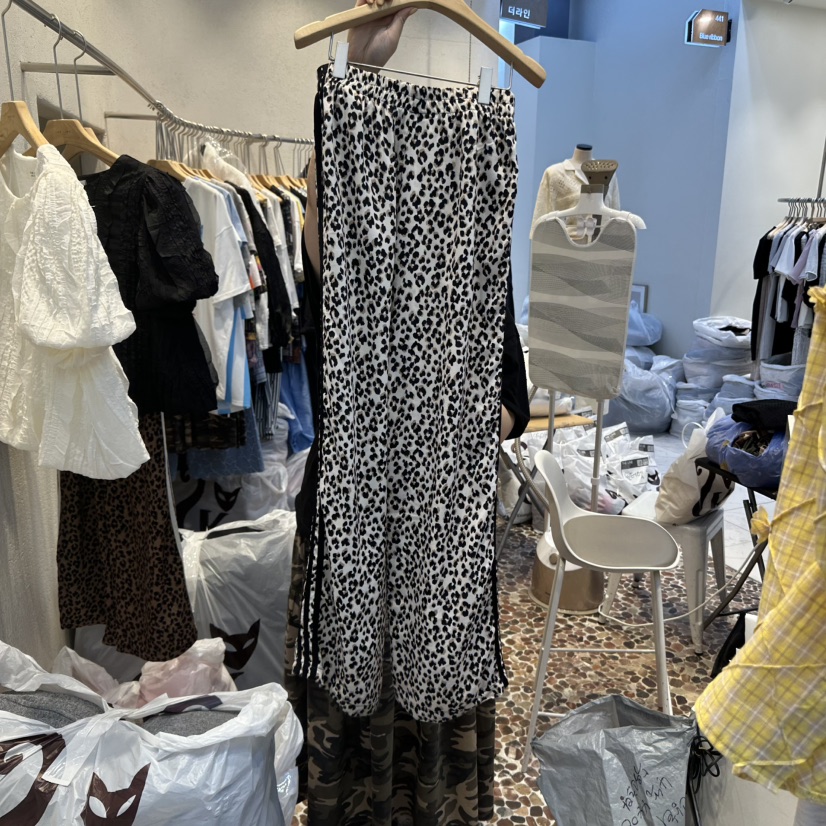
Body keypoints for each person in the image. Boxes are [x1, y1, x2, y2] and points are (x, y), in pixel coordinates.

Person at [285, 2, 530, 822]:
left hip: (440, 544)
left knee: (430, 763)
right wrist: (359, 74)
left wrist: (440, 426)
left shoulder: (476, 276)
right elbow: (322, 249)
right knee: (349, 744)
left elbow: (513, 407)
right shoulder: (347, 259)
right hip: (349, 518)